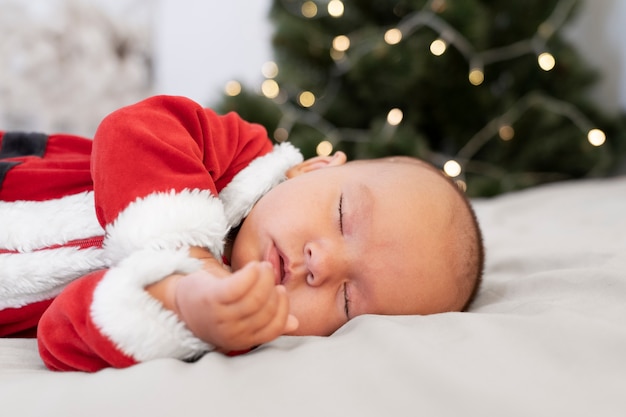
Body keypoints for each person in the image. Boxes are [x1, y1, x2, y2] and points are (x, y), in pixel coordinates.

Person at [0, 95, 484, 372]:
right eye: (341, 215)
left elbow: (61, 335)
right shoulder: (234, 154)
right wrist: (187, 254)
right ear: (312, 168)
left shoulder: (230, 326)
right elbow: (135, 127)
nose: (323, 262)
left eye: (348, 300)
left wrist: (183, 304)